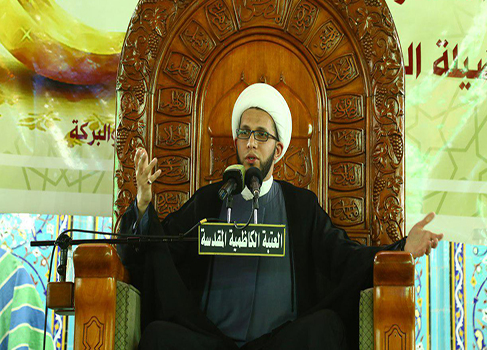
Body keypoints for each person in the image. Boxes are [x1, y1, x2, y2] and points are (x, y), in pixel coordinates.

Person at [118, 83, 443, 350]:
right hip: (210, 342)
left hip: (279, 344)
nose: (251, 143)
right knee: (159, 336)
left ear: (279, 148)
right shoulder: (210, 201)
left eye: (261, 135)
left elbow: (345, 258)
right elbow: (160, 253)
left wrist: (401, 248)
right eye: (244, 133)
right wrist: (143, 206)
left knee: (325, 328)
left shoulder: (300, 207)